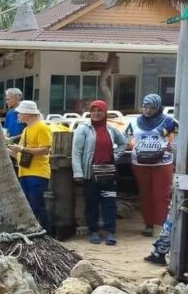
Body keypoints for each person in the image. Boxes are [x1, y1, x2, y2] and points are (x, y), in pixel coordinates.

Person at [72, 100, 127, 246]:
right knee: (92, 203)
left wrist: (114, 156)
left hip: (108, 173)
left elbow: (123, 143)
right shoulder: (83, 129)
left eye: (100, 111)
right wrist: (78, 172)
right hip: (90, 174)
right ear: (90, 112)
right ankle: (94, 231)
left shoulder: (111, 129)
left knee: (109, 203)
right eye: (94, 111)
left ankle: (110, 232)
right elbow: (76, 152)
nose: (96, 114)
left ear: (105, 113)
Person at [127, 94, 178, 237]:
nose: (148, 110)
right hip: (140, 163)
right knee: (145, 194)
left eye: (152, 107)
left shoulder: (168, 121)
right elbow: (128, 139)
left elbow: (176, 140)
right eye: (145, 106)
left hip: (162, 163)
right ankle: (148, 224)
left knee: (162, 195)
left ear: (158, 107)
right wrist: (135, 146)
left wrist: (168, 147)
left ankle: (164, 226)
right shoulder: (135, 122)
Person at [8, 100, 52, 231]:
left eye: (20, 113)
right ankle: (37, 230)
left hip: (38, 172)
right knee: (30, 205)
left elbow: (45, 150)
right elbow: (22, 151)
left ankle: (47, 232)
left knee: (37, 205)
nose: (18, 116)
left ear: (28, 114)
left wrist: (21, 149)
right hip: (24, 171)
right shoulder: (26, 130)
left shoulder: (42, 127)